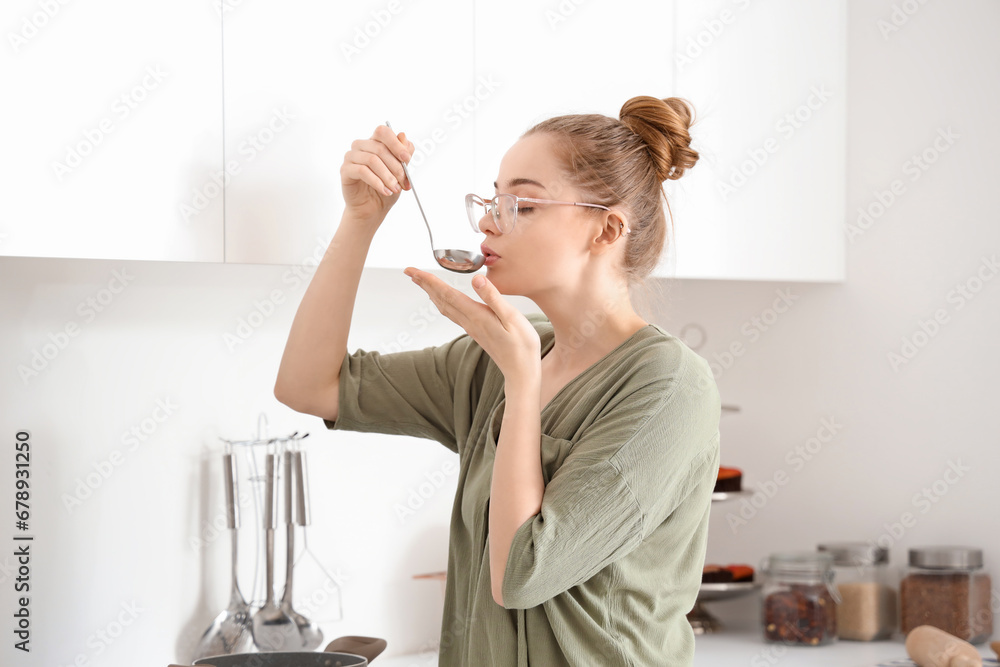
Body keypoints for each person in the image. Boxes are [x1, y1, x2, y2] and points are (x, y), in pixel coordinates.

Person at [274, 95, 721, 667]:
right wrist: (361, 221)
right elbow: (309, 387)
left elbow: (520, 574)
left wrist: (521, 381)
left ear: (606, 229)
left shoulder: (668, 387)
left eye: (523, 205)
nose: (488, 220)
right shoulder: (502, 353)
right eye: (492, 200)